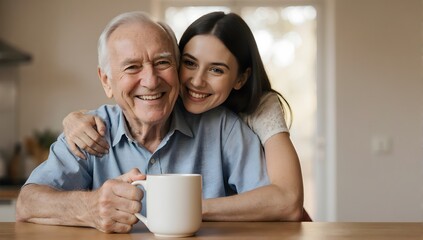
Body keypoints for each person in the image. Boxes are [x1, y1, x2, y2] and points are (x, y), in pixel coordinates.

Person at [15, 11, 279, 233]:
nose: (151, 80)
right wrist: (90, 207)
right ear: (106, 81)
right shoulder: (90, 131)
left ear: (176, 68)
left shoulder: (222, 126)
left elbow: (275, 204)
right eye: (132, 67)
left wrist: (187, 209)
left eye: (162, 62)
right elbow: (27, 203)